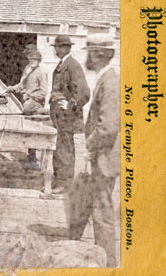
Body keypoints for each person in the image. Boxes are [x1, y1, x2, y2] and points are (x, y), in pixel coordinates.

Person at [68, 33, 119, 267]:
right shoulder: (105, 78)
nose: (87, 57)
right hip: (101, 155)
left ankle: (108, 265)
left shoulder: (111, 81)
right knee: (96, 208)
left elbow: (108, 127)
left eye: (89, 52)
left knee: (102, 212)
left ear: (99, 54)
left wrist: (90, 145)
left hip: (105, 157)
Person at [49, 35, 90, 193]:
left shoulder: (73, 66)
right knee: (59, 148)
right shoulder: (62, 64)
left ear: (66, 48)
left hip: (67, 116)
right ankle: (59, 180)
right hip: (59, 116)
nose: (56, 50)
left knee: (65, 149)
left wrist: (69, 104)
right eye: (56, 47)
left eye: (58, 47)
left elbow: (84, 93)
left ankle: (65, 184)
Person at [7, 49, 49, 115]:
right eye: (31, 59)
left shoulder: (41, 72)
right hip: (26, 100)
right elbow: (21, 85)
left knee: (25, 109)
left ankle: (45, 111)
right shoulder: (27, 70)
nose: (33, 61)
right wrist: (12, 88)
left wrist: (31, 96)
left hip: (36, 102)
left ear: (39, 61)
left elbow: (43, 91)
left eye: (35, 59)